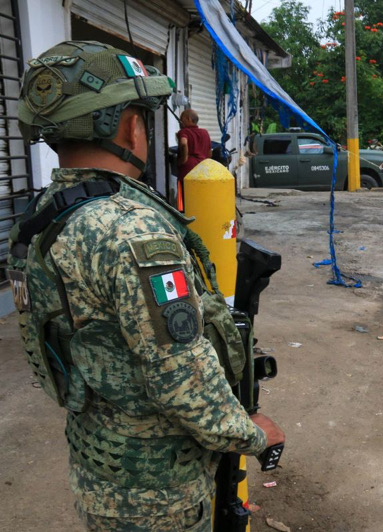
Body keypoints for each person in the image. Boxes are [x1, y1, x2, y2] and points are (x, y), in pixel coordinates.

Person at [11, 41, 283, 530]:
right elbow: (180, 375)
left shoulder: (45, 215)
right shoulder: (132, 230)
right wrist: (250, 433)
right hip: (160, 491)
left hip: (101, 465)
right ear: (130, 125)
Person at [177, 108, 212, 211]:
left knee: (186, 201)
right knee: (201, 199)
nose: (180, 121)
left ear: (188, 119)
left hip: (188, 170)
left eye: (182, 118)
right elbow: (209, 152)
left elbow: (183, 143)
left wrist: (183, 160)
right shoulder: (205, 133)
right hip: (203, 170)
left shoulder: (184, 132)